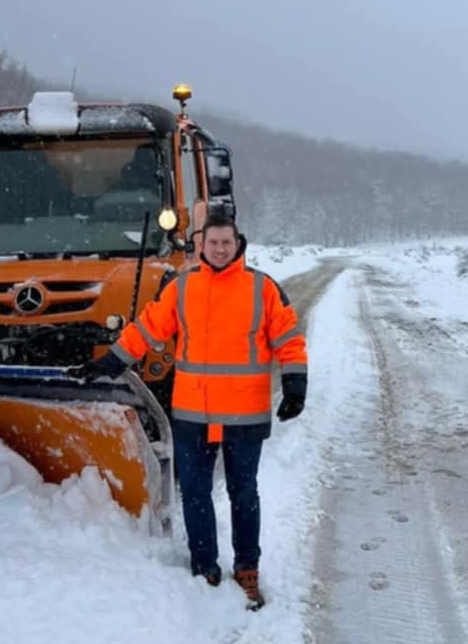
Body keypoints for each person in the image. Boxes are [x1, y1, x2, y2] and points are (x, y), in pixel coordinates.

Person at [90, 212, 307, 608]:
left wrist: (295, 382)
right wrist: (112, 360)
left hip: (245, 414)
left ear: (238, 243)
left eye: (226, 242)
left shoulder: (262, 288)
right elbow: (148, 326)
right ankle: (204, 565)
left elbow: (288, 338)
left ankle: (247, 569)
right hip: (193, 412)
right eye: (213, 242)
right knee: (194, 492)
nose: (220, 249)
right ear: (201, 244)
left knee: (244, 494)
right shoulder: (182, 286)